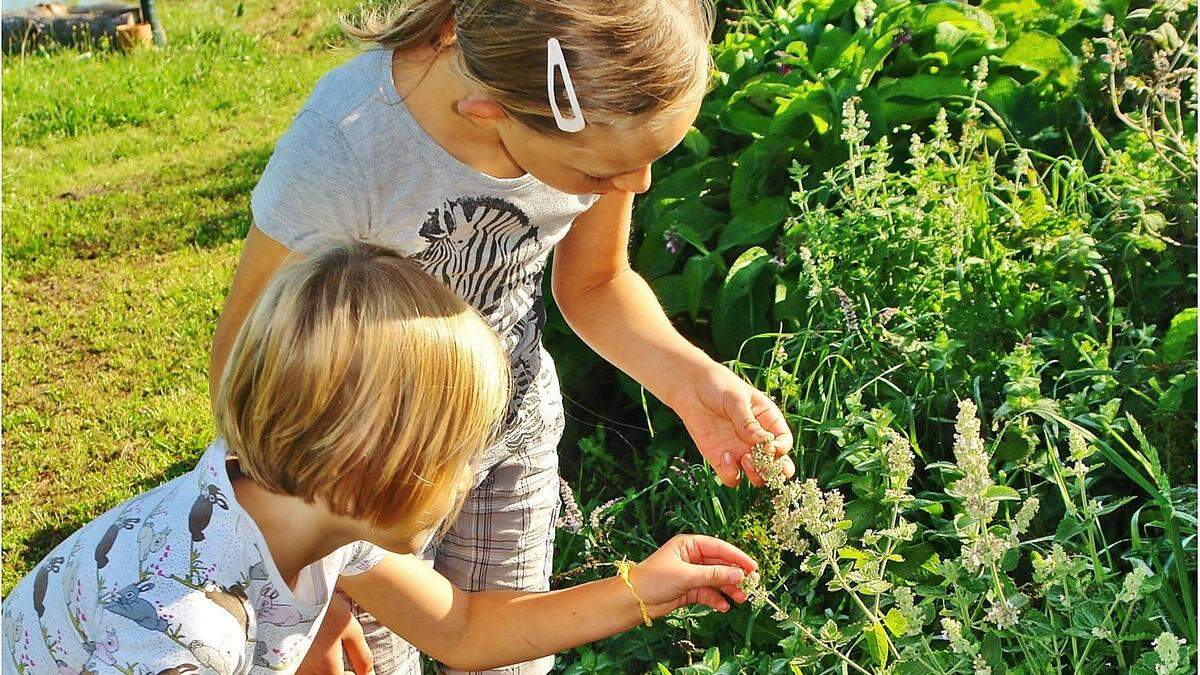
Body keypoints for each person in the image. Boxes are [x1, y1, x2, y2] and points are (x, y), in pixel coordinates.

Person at [210, 0, 797, 671]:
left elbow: (596, 285)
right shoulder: (348, 150)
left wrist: (693, 383)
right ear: (489, 111)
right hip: (359, 477)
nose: (634, 183)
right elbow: (241, 371)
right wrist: (303, 577)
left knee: (508, 657)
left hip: (510, 436)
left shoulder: (591, 109)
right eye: (602, 174)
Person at [3, 242, 758, 674]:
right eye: (460, 454)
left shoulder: (296, 509)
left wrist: (640, 589)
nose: (471, 475)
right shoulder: (187, 622)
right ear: (373, 466)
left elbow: (462, 628)